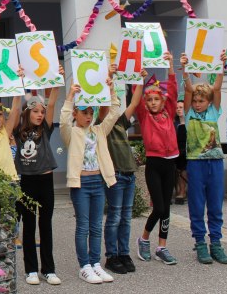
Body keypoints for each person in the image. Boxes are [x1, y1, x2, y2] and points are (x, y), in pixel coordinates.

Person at [61, 79, 121, 285]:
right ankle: (84, 266)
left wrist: (111, 91)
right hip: (81, 185)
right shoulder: (72, 132)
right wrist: (70, 96)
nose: (88, 116)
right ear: (76, 113)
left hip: (98, 181)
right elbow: (62, 120)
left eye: (90, 113)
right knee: (83, 226)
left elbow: (113, 113)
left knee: (97, 225)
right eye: (84, 112)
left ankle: (96, 263)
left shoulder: (98, 130)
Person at [179, 51, 227, 264]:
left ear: (209, 102)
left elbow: (216, 88)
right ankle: (200, 243)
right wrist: (184, 69)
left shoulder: (214, 112)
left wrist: (221, 65)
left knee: (216, 204)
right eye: (196, 101)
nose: (198, 103)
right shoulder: (190, 114)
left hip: (216, 162)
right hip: (196, 164)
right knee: (197, 204)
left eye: (202, 101)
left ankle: (216, 243)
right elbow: (189, 88)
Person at [99, 66, 146, 275]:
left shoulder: (121, 122)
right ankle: (111, 256)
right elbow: (103, 107)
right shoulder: (103, 123)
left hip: (129, 172)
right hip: (115, 173)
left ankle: (124, 253)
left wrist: (140, 81)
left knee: (126, 217)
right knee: (115, 216)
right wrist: (108, 79)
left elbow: (135, 102)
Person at [14, 82, 62, 286]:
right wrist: (17, 83)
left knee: (46, 226)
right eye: (35, 111)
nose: (40, 114)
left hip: (45, 180)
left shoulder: (46, 129)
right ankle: (30, 269)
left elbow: (52, 104)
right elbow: (16, 108)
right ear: (28, 113)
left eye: (41, 112)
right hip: (26, 181)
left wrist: (57, 81)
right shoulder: (18, 131)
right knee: (29, 226)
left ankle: (49, 270)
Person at [135, 52, 179, 265]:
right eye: (149, 100)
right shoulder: (145, 117)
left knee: (167, 208)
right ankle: (143, 239)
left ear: (163, 101)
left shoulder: (168, 113)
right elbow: (137, 102)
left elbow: (173, 89)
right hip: (153, 164)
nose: (153, 103)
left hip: (170, 164)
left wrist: (171, 65)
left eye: (156, 99)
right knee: (159, 208)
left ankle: (162, 246)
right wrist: (140, 80)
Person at [174, 101, 187, 205]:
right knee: (178, 169)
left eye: (181, 107)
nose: (178, 109)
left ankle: (183, 191)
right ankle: (179, 190)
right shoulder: (174, 123)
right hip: (177, 149)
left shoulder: (190, 122)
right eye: (177, 107)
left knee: (184, 168)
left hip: (188, 150)